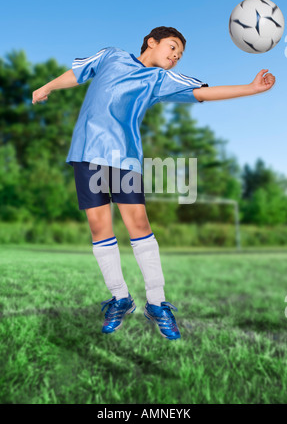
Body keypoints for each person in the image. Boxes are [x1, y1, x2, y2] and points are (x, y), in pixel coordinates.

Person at [32, 26, 275, 341]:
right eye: (172, 47)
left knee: (137, 222)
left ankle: (157, 302)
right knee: (98, 225)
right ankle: (120, 298)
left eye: (179, 54)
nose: (175, 56)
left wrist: (251, 88)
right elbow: (78, 73)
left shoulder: (160, 80)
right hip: (87, 152)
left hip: (125, 157)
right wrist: (47, 86)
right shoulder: (111, 56)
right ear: (152, 41)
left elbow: (203, 92)